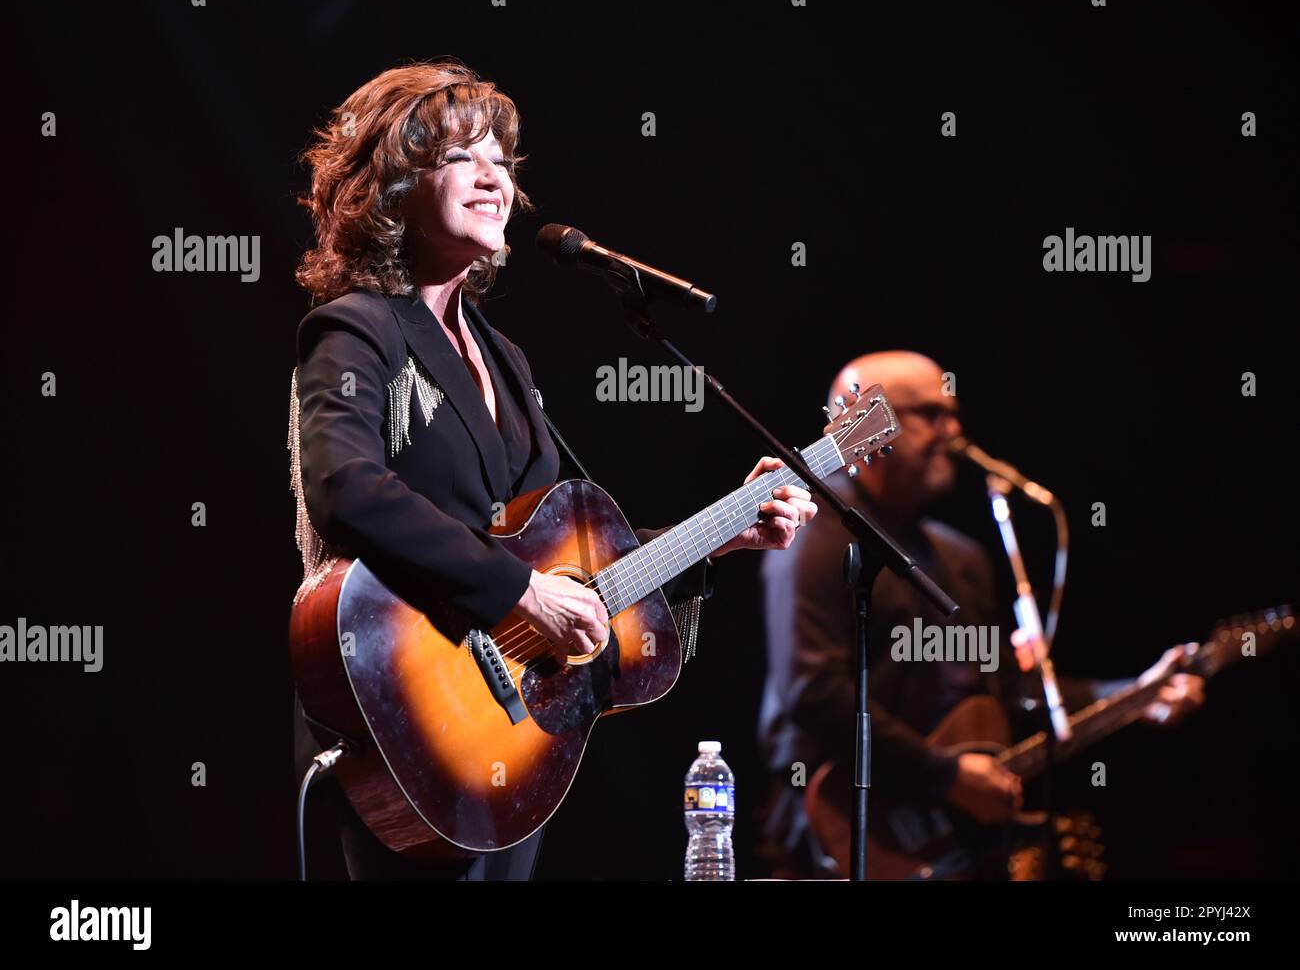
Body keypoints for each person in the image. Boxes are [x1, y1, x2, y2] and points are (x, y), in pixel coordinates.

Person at [288, 60, 817, 880]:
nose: (494, 176)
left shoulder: (506, 360)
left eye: (503, 158)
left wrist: (722, 535)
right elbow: (343, 487)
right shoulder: (357, 331)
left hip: (507, 732)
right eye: (464, 155)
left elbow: (568, 566)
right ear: (392, 184)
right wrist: (518, 592)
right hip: (401, 713)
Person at [756, 351, 1204, 878]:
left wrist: (1136, 693)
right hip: (831, 839)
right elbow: (814, 693)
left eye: (953, 412)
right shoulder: (814, 536)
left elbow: (1010, 692)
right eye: (929, 413)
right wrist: (944, 775)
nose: (953, 429)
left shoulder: (959, 558)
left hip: (948, 845)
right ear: (861, 422)